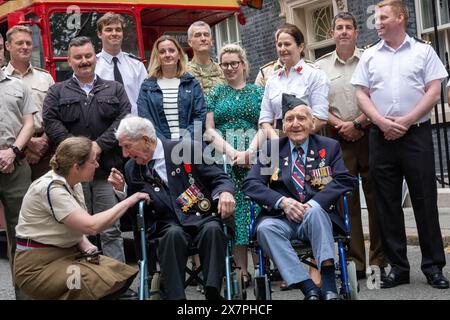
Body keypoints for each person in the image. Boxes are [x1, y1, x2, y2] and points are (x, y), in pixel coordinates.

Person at [351, 0, 449, 289]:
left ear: (400, 18)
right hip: (380, 137)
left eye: (383, 17)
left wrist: (406, 120)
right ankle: (399, 268)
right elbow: (361, 94)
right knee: (387, 204)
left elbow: (433, 91)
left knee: (425, 201)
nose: (377, 22)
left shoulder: (424, 51)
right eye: (377, 18)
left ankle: (433, 267)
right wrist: (381, 122)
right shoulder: (370, 56)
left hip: (416, 135)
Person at [242, 94, 357, 300]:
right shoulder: (272, 149)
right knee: (265, 229)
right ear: (283, 126)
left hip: (317, 218)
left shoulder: (328, 146)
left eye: (301, 118)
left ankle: (329, 288)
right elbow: (251, 184)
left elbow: (345, 180)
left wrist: (315, 202)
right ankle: (309, 289)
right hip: (280, 219)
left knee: (315, 212)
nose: (295, 124)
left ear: (312, 123)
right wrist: (282, 202)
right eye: (289, 119)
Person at [112, 116, 235, 300]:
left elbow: (220, 178)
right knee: (172, 235)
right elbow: (136, 217)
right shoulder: (131, 168)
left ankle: (213, 292)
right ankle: (176, 298)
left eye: (127, 146)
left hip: (201, 216)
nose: (124, 153)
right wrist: (123, 191)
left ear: (146, 140)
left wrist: (225, 192)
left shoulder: (186, 149)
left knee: (213, 229)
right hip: (167, 224)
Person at [13, 136, 149, 299]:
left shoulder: (73, 183)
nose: (98, 165)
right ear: (77, 167)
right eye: (93, 161)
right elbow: (91, 226)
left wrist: (85, 245)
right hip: (36, 266)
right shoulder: (52, 189)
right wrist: (129, 200)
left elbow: (71, 224)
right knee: (85, 280)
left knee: (115, 272)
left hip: (65, 254)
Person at [43, 37, 131, 267]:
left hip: (105, 172)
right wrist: (80, 151)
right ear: (69, 61)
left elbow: (124, 118)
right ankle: (83, 285)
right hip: (72, 177)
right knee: (75, 234)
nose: (84, 61)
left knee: (110, 229)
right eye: (78, 57)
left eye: (88, 56)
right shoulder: (57, 92)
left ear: (95, 57)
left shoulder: (115, 88)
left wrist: (99, 145)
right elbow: (50, 122)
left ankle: (115, 282)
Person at [314, 12, 386, 280]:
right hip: (337, 140)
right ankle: (356, 260)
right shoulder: (320, 67)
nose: (343, 32)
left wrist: (358, 123)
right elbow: (317, 103)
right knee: (347, 201)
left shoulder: (371, 60)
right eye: (339, 28)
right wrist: (341, 124)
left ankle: (379, 258)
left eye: (348, 28)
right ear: (332, 34)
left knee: (377, 198)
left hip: (370, 136)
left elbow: (380, 95)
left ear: (357, 32)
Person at [204, 43, 264, 287]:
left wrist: (250, 151)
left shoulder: (258, 92)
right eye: (225, 64)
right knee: (235, 211)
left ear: (243, 65)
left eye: (233, 63)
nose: (229, 68)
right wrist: (231, 152)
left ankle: (262, 268)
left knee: (258, 208)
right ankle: (241, 271)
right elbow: (208, 129)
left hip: (256, 156)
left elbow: (265, 125)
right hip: (224, 157)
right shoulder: (215, 93)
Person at [0, 32, 37, 299]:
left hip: (16, 166)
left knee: (22, 234)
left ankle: (23, 295)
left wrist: (13, 151)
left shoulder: (18, 85)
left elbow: (29, 123)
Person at [259, 23, 329, 139]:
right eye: (279, 45)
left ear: (300, 47)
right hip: (279, 141)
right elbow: (264, 120)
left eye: (287, 44)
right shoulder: (272, 79)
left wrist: (296, 138)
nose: (282, 49)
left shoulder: (315, 75)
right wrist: (279, 143)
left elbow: (320, 118)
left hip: (308, 140)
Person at [4, 26, 55, 181]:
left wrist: (43, 141)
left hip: (45, 151)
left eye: (28, 43)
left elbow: (56, 113)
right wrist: (27, 143)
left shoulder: (45, 78)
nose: (25, 47)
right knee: (19, 203)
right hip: (13, 154)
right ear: (8, 46)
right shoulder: (2, 78)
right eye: (20, 43)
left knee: (47, 200)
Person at [138, 35, 206, 141]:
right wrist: (166, 144)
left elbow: (200, 116)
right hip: (160, 148)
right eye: (162, 52)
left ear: (178, 54)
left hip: (190, 146)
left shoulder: (192, 83)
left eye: (171, 50)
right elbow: (145, 120)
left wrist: (184, 140)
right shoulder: (147, 87)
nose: (167, 55)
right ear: (157, 57)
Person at [95, 12, 148, 115]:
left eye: (118, 30)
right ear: (99, 34)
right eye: (109, 30)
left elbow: (146, 99)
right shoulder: (93, 66)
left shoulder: (137, 65)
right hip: (104, 127)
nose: (114, 33)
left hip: (134, 126)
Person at [187, 21, 225, 93]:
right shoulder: (183, 72)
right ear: (190, 42)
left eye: (206, 35)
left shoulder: (224, 71)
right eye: (198, 35)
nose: (203, 38)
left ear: (211, 41)